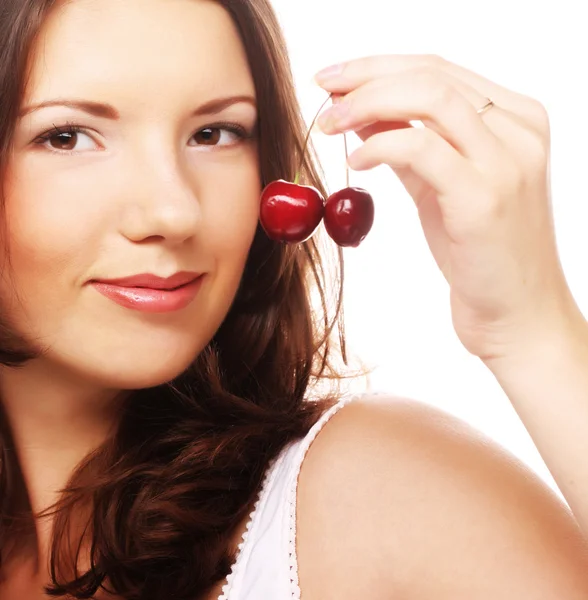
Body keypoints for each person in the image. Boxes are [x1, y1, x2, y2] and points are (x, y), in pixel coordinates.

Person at [0, 1, 587, 599]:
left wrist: (534, 334)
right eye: (66, 137)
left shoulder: (368, 496)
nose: (174, 212)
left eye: (214, 133)